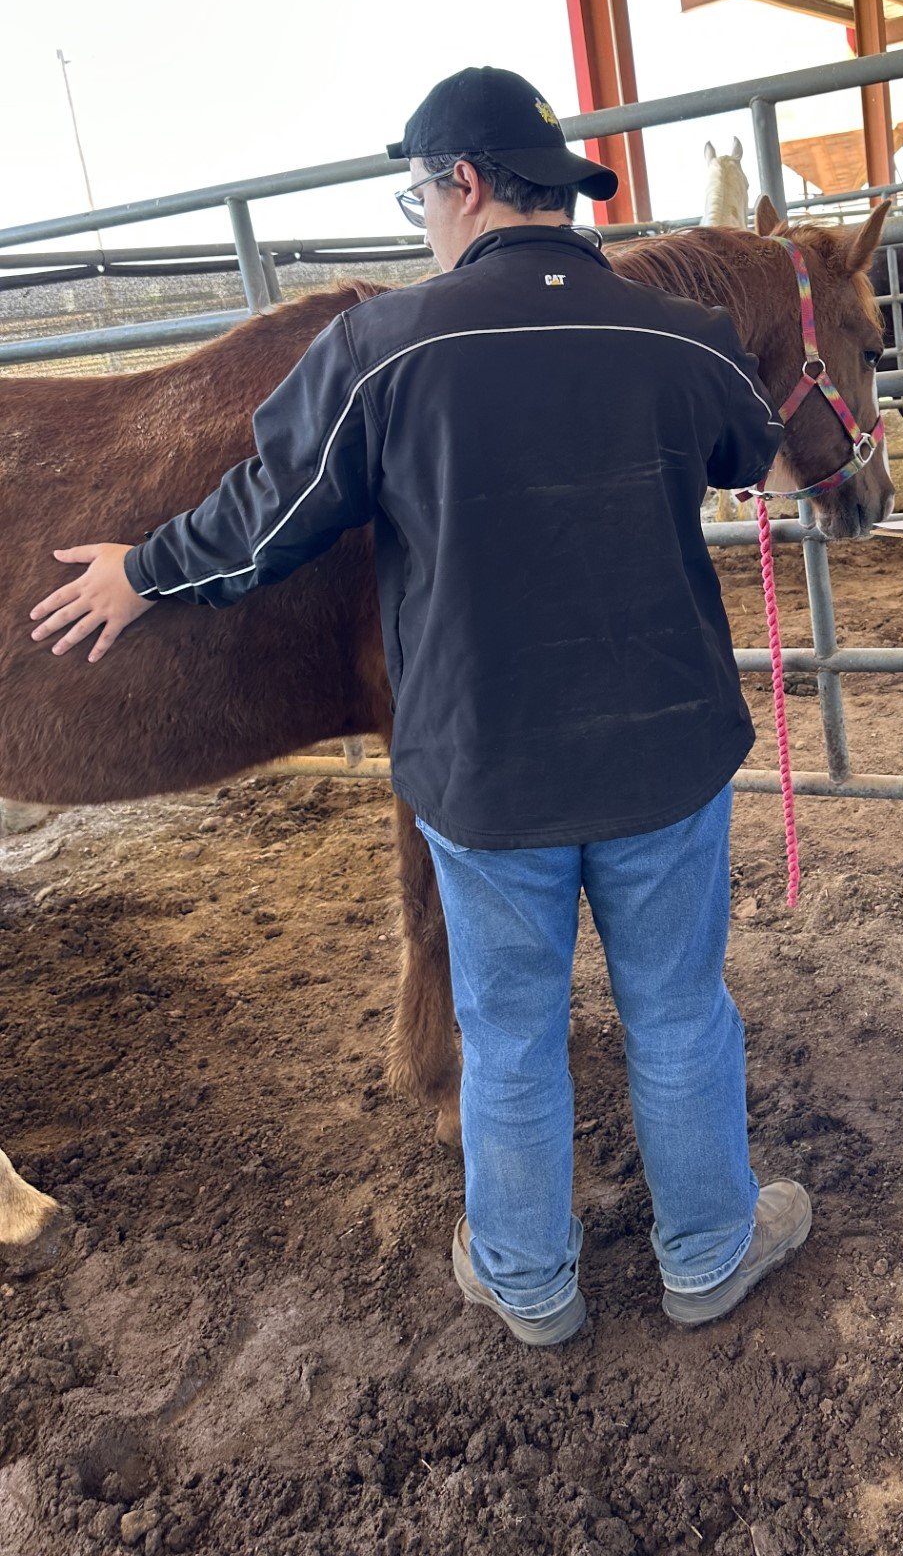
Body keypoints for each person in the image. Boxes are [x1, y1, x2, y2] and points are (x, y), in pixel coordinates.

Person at [28, 66, 813, 1346]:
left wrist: (140, 571)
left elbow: (265, 523)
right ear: (559, 195)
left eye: (417, 193)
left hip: (484, 766)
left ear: (459, 184)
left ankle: (526, 1282)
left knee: (506, 1029)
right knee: (678, 1009)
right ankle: (710, 1255)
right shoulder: (682, 339)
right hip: (664, 754)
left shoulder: (379, 349)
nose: (419, 218)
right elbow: (760, 458)